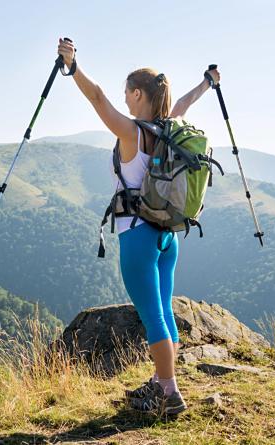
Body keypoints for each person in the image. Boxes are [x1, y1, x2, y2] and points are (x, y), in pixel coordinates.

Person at [57, 37, 219, 416]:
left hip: (138, 237)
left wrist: (73, 66)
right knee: (162, 310)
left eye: (127, 93)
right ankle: (161, 382)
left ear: (137, 93)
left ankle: (168, 394)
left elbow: (97, 98)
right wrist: (207, 83)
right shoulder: (167, 129)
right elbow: (185, 103)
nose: (124, 100)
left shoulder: (132, 134)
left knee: (152, 315)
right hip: (167, 237)